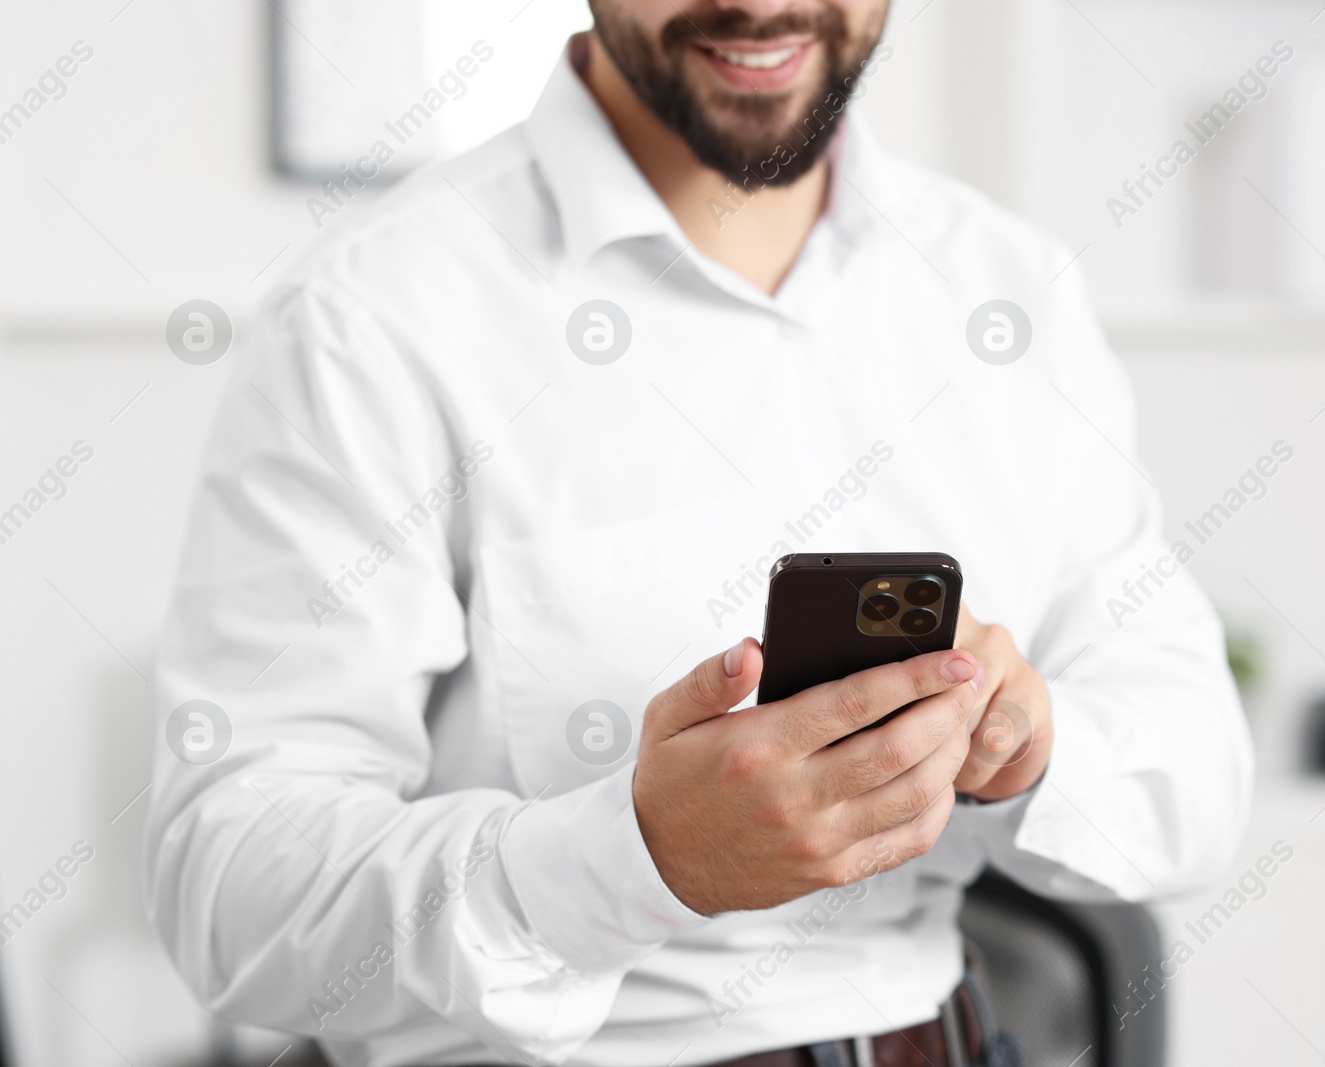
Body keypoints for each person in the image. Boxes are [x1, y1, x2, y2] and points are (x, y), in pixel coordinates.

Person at [144, 1, 1253, 1064]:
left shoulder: (1009, 291)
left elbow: (1198, 779)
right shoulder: (370, 317)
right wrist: (636, 857)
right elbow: (226, 885)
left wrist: (1027, 748)